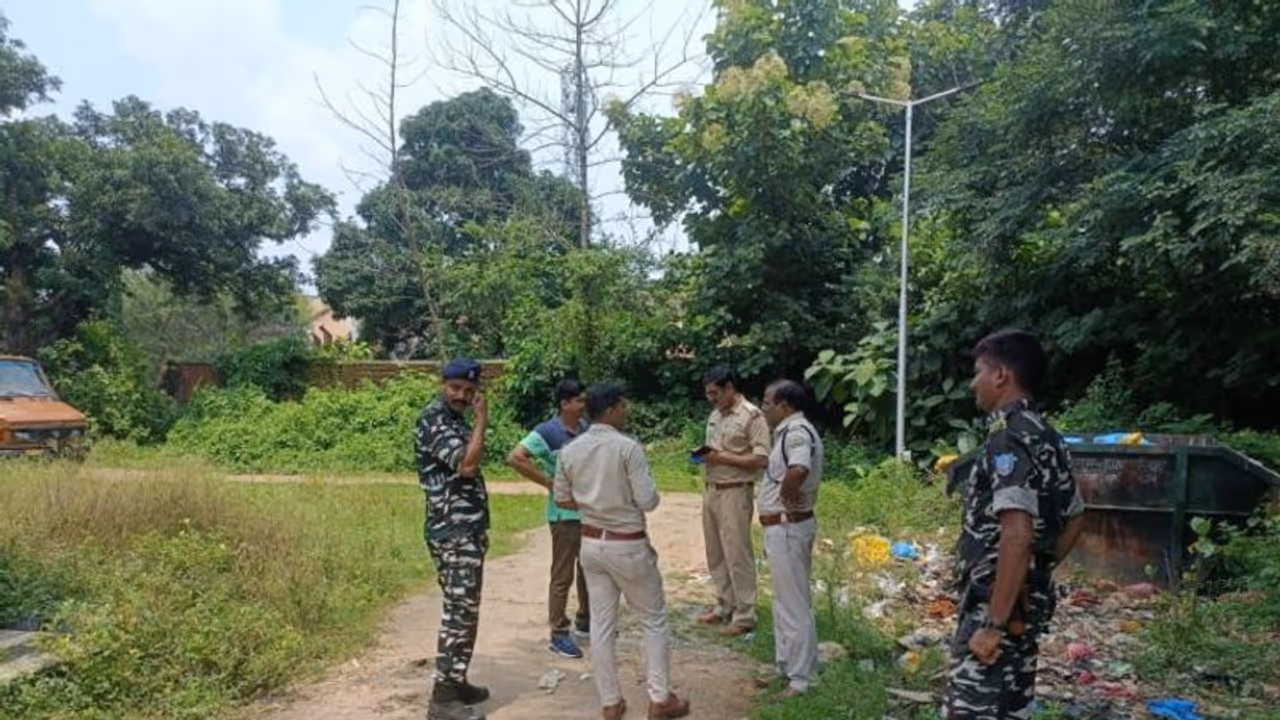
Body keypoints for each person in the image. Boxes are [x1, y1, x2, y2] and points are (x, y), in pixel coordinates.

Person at [946, 329, 1086, 720]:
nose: (973, 383)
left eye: (978, 372)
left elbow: (1017, 533)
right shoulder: (1048, 435)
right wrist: (1035, 571)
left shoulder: (1007, 439)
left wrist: (994, 620)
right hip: (1021, 604)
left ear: (1000, 375)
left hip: (997, 607)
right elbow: (1076, 518)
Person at [554, 382, 690, 720]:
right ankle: (660, 699)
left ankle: (611, 702)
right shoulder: (628, 448)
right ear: (612, 408)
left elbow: (561, 498)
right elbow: (648, 500)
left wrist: (592, 504)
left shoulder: (571, 450)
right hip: (626, 543)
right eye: (623, 406)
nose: (627, 411)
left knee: (601, 625)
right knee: (653, 620)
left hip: (591, 543)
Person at [416, 358, 492, 720]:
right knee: (458, 612)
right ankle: (442, 700)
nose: (462, 395)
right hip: (452, 532)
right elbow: (466, 464)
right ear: (442, 384)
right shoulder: (434, 419)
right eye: (455, 388)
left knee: (467, 610)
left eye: (469, 390)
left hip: (467, 530)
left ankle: (457, 680)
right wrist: (481, 420)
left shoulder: (455, 421)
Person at [506, 379, 592, 659]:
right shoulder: (547, 432)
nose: (583, 405)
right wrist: (549, 483)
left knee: (589, 569)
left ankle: (585, 621)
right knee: (562, 575)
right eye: (578, 400)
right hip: (564, 516)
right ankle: (558, 633)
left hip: (588, 512)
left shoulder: (585, 429)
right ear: (564, 404)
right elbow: (516, 458)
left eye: (584, 400)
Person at [756, 379, 824, 701]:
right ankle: (787, 667)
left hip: (788, 526)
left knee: (794, 604)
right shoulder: (787, 432)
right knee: (784, 602)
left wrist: (786, 494)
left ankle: (801, 680)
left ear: (784, 405)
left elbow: (798, 468)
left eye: (768, 402)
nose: (764, 408)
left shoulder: (797, 432)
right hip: (782, 528)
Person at [696, 366, 770, 636]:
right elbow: (714, 451)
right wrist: (705, 456)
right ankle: (724, 604)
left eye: (715, 393)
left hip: (736, 491)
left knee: (737, 552)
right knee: (715, 551)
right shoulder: (716, 414)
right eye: (708, 394)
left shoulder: (752, 416)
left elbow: (761, 459)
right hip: (712, 489)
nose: (711, 399)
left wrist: (722, 458)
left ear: (729, 388)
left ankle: (745, 614)